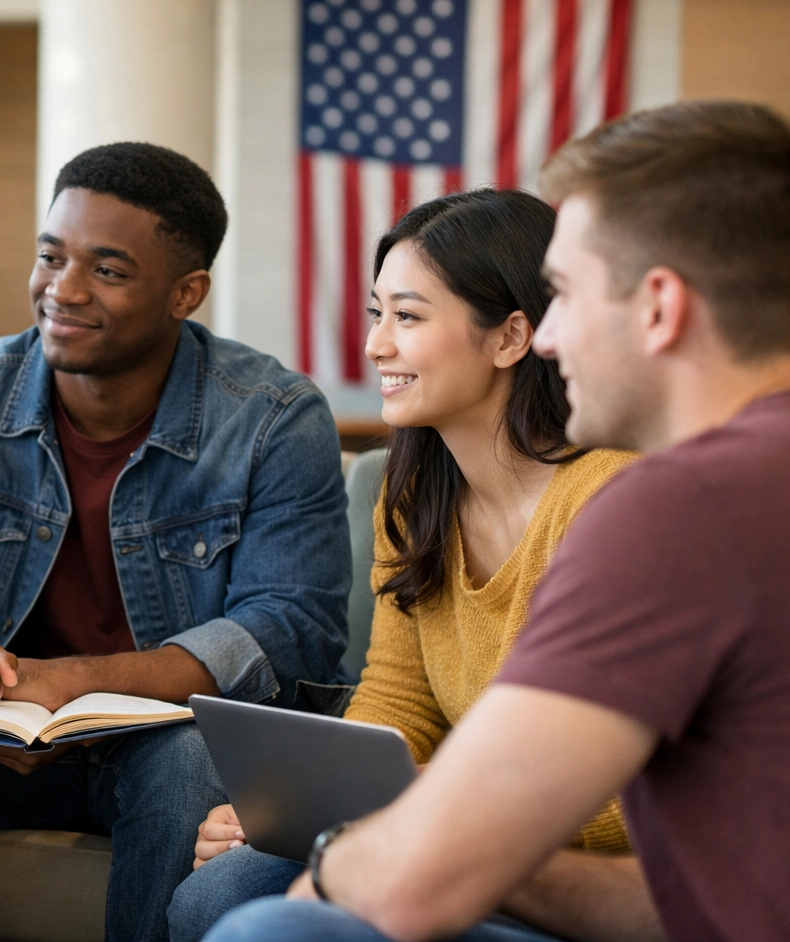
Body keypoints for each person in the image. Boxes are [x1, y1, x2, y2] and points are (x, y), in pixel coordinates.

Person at [201, 100, 790, 942]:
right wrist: (358, 818)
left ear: (659, 308)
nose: (550, 337)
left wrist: (357, 847)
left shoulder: (672, 505)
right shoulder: (750, 480)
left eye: (566, 296)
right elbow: (708, 896)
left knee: (269, 930)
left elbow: (425, 884)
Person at [0, 141, 351, 942]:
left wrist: (69, 683)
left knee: (191, 761)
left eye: (108, 270)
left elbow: (288, 630)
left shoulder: (272, 417)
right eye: (51, 257)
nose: (62, 289)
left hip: (165, 738)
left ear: (186, 293)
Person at [170, 188, 643, 942]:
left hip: (575, 867)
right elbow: (401, 697)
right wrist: (315, 802)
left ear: (510, 336)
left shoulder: (611, 499)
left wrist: (434, 804)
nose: (375, 346)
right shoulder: (412, 492)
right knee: (218, 889)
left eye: (409, 317)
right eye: (376, 313)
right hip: (452, 828)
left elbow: (628, 786)